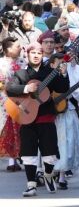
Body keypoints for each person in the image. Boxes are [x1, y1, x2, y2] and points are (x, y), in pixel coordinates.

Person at [6, 44, 69, 197]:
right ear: (27, 54)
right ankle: (31, 185)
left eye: (39, 53)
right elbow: (10, 88)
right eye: (32, 53)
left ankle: (48, 175)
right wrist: (27, 89)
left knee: (50, 152)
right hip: (27, 117)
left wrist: (64, 74)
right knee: (28, 153)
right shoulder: (21, 74)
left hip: (46, 116)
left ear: (42, 55)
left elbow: (63, 88)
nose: (35, 55)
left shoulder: (50, 72)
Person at [53, 58, 79, 190]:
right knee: (52, 144)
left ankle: (62, 176)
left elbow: (78, 96)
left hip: (68, 111)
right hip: (51, 114)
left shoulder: (74, 73)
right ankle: (48, 171)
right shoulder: (48, 74)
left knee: (67, 144)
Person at [0, 37, 27, 171]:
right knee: (7, 130)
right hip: (4, 101)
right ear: (8, 49)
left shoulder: (23, 62)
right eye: (17, 46)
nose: (20, 48)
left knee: (19, 130)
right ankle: (11, 161)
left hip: (21, 100)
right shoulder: (0, 63)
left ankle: (17, 159)